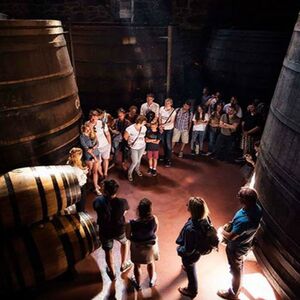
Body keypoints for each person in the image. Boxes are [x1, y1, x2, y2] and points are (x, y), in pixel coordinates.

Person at [217, 187, 262, 300]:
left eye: (239, 196)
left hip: (236, 248)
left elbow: (231, 237)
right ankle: (238, 286)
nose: (238, 198)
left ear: (245, 201)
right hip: (246, 244)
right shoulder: (257, 209)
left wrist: (221, 230)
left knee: (235, 270)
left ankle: (233, 293)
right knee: (239, 265)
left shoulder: (244, 221)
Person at [93, 180, 133, 280]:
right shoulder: (122, 202)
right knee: (125, 243)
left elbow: (95, 208)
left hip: (105, 230)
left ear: (106, 191)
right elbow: (125, 211)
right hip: (119, 229)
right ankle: (123, 264)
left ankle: (112, 273)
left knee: (108, 251)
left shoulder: (98, 200)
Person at [176, 197, 211, 298]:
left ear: (192, 210)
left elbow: (188, 249)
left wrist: (179, 250)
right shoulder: (205, 218)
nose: (187, 206)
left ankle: (192, 290)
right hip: (198, 251)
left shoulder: (191, 229)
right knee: (191, 264)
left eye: (189, 205)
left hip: (191, 255)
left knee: (190, 269)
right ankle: (188, 266)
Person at [126, 198, 159, 290]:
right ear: (150, 210)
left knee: (137, 266)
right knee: (151, 263)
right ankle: (151, 281)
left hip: (137, 247)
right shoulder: (154, 219)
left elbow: (128, 236)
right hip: (150, 247)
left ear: (138, 210)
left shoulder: (131, 223)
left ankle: (138, 284)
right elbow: (155, 230)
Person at [88, 110, 112, 179]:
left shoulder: (102, 123)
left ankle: (105, 173)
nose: (93, 119)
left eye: (95, 118)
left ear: (97, 117)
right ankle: (101, 175)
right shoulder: (87, 125)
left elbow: (107, 134)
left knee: (106, 159)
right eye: (92, 118)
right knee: (98, 162)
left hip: (105, 145)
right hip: (96, 148)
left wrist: (109, 144)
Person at [79, 123, 101, 195]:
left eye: (89, 128)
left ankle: (95, 187)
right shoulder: (82, 137)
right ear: (84, 128)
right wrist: (94, 156)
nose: (88, 129)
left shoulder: (92, 133)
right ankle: (90, 185)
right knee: (89, 172)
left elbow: (97, 143)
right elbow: (87, 149)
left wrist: (94, 148)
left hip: (96, 154)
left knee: (95, 172)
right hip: (89, 157)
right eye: (87, 128)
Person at [124, 115, 147, 182]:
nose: (145, 123)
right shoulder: (130, 128)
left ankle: (137, 169)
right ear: (140, 121)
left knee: (139, 160)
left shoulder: (144, 128)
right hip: (134, 147)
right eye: (144, 122)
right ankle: (129, 173)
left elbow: (143, 137)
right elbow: (125, 137)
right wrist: (129, 140)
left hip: (142, 146)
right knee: (135, 161)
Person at [67, 147, 88, 211]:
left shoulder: (68, 162)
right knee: (81, 204)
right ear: (78, 157)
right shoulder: (76, 169)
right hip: (79, 189)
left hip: (72, 188)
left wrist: (82, 172)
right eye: (81, 155)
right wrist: (84, 174)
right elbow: (80, 182)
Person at [159, 98, 177, 167]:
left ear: (171, 104)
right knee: (163, 143)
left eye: (168, 103)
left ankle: (168, 159)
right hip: (162, 128)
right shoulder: (161, 108)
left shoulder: (173, 111)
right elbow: (160, 117)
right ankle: (165, 156)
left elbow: (171, 121)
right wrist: (160, 125)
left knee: (168, 144)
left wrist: (162, 126)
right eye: (166, 102)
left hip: (169, 129)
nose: (166, 104)